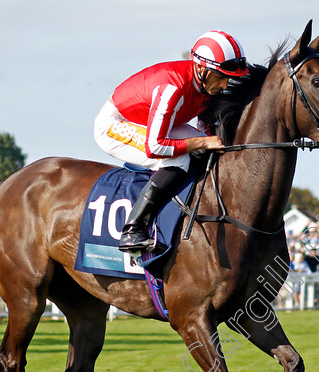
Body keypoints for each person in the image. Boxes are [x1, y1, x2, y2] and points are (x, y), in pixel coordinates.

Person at [93, 30, 247, 252]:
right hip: (115, 124)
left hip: (148, 123)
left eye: (229, 78)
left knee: (205, 147)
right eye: (221, 77)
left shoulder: (206, 85)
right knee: (178, 161)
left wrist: (208, 141)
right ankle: (132, 230)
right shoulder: (172, 88)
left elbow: (206, 132)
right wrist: (202, 144)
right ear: (202, 70)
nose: (225, 85)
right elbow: (155, 146)